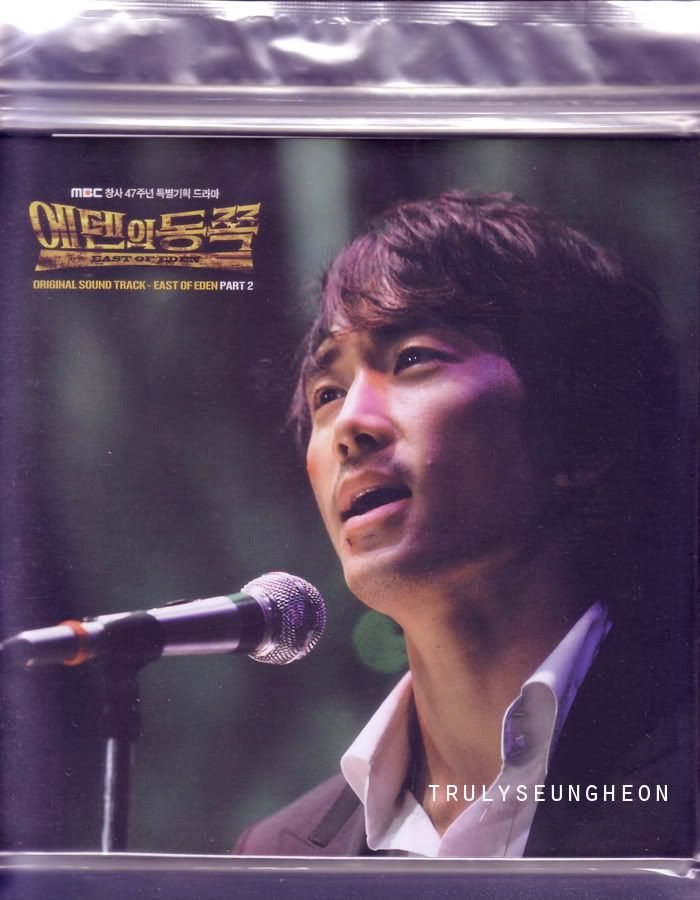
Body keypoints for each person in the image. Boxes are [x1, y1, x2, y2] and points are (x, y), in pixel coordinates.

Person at [234, 191, 693, 857]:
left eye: (412, 358)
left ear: (582, 429)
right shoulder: (278, 853)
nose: (350, 425)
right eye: (327, 394)